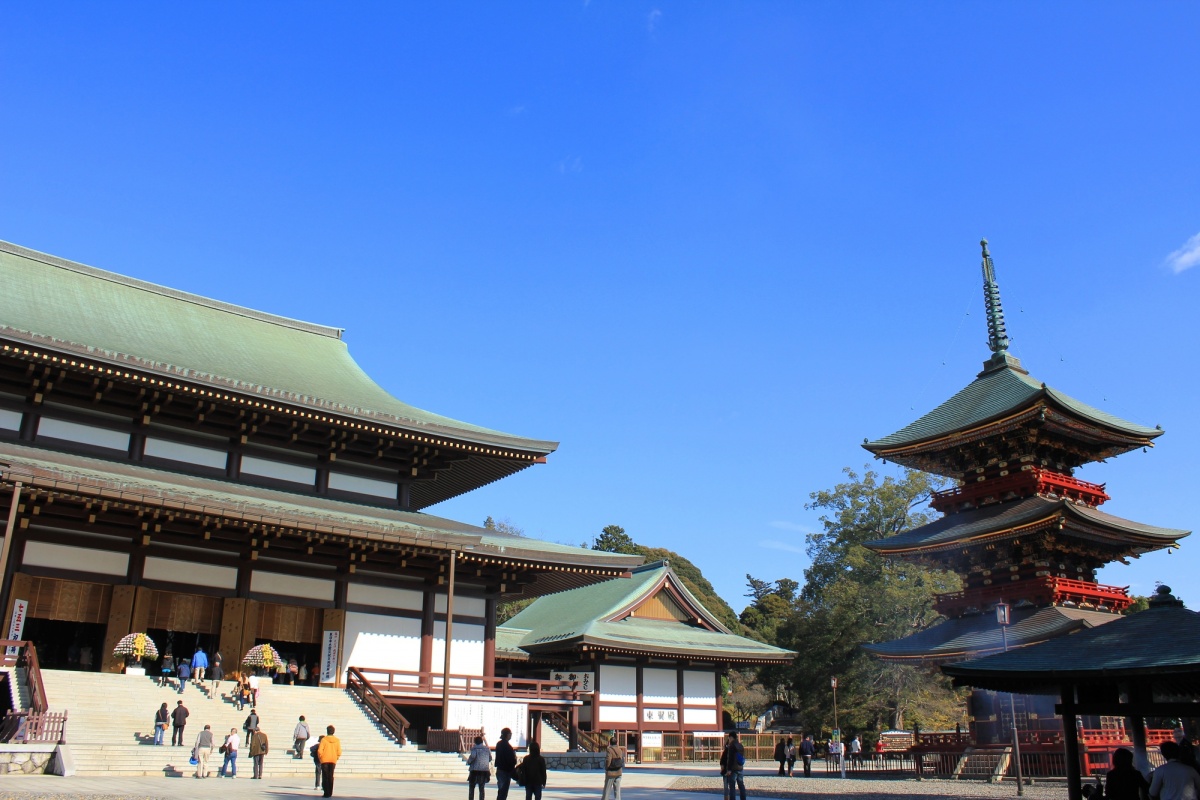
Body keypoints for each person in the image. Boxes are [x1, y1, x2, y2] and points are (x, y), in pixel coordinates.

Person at [318, 724, 342, 798]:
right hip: (333, 760)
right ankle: (330, 792)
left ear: (327, 731)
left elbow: (320, 751)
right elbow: (339, 751)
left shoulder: (324, 740)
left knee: (325, 776)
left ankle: (326, 792)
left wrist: (321, 758)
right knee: (331, 776)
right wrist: (336, 757)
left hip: (325, 760)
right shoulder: (337, 740)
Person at [720, 731, 746, 800]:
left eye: (729, 738)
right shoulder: (740, 745)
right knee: (741, 785)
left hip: (733, 769)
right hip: (740, 768)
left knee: (732, 787)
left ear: (731, 738)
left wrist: (729, 769)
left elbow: (730, 759)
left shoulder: (731, 746)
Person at [494, 727, 517, 800]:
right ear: (507, 735)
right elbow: (510, 760)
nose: (511, 735)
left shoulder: (499, 744)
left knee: (501, 790)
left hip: (500, 769)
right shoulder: (507, 746)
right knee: (503, 791)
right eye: (510, 734)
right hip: (506, 771)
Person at [467, 734, 492, 800]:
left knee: (472, 787)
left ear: (475, 742)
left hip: (475, 771)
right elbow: (490, 758)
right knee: (481, 788)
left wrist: (468, 762)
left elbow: (472, 757)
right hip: (484, 771)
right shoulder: (487, 749)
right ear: (482, 742)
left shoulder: (475, 749)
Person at [603, 734, 626, 800]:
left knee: (607, 789)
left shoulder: (609, 750)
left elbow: (608, 760)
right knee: (617, 790)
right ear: (617, 742)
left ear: (610, 743)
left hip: (611, 772)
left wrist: (607, 768)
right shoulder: (620, 750)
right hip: (619, 771)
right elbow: (621, 760)